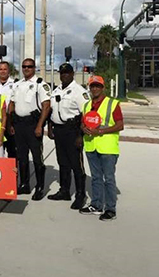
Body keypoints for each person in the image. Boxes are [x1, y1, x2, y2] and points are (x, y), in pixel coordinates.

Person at [79, 75, 124, 221]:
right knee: (96, 178)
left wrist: (101, 131)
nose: (95, 88)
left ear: (103, 87)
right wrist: (83, 128)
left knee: (109, 179)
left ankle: (110, 209)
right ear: (89, 88)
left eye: (98, 86)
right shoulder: (86, 105)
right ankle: (96, 205)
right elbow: (82, 123)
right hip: (91, 146)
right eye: (92, 86)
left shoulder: (112, 103)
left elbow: (120, 125)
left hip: (107, 148)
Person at [47, 63, 89, 209]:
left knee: (76, 164)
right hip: (59, 131)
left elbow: (86, 113)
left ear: (72, 74)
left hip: (73, 131)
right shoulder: (56, 90)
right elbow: (51, 111)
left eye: (67, 72)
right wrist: (50, 128)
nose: (64, 75)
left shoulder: (79, 91)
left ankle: (80, 194)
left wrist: (80, 135)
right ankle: (64, 191)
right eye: (62, 72)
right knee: (62, 162)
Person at [8, 58, 51, 201]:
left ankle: (39, 187)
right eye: (24, 66)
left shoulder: (40, 85)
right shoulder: (17, 84)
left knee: (37, 157)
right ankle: (24, 184)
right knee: (22, 157)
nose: (26, 69)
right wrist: (11, 123)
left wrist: (40, 125)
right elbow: (12, 104)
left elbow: (46, 106)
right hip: (19, 125)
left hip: (33, 125)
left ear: (34, 68)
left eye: (29, 66)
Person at [0, 61, 17, 158]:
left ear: (9, 71)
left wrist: (11, 123)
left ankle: (13, 173)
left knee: (12, 151)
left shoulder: (15, 84)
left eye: (5, 69)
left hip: (10, 121)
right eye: (0, 69)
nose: (3, 71)